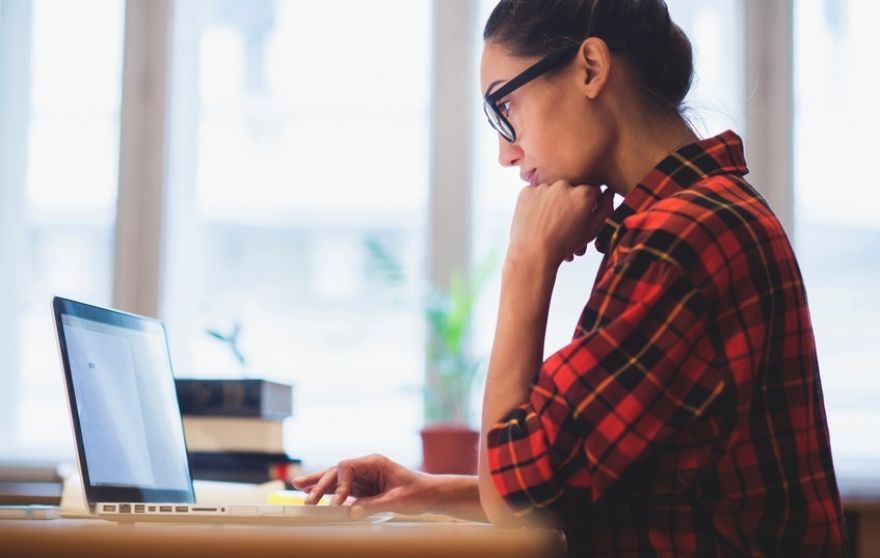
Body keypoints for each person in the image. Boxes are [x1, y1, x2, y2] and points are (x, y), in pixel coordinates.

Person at [293, 0, 847, 555]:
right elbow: (581, 484)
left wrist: (526, 263)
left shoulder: (680, 240)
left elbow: (516, 504)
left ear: (590, 67)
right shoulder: (700, 214)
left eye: (506, 105)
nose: (506, 153)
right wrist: (427, 490)